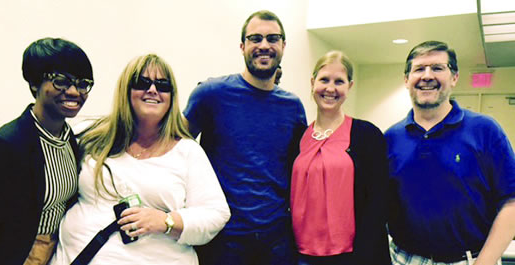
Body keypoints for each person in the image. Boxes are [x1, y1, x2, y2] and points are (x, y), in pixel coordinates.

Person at [49, 54, 230, 265]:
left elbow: (216, 214)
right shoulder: (91, 136)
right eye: (142, 83)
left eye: (162, 85)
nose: (152, 90)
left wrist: (166, 221)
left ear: (172, 97)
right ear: (126, 90)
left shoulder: (187, 152)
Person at [184, 9, 307, 265]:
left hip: (277, 241)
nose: (264, 45)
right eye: (256, 38)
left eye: (272, 39)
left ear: (283, 45)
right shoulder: (211, 94)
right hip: (224, 240)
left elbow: (297, 171)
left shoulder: (293, 107)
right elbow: (174, 148)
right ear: (242, 46)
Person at [0, 37, 94, 265]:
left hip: (57, 253)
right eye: (61, 81)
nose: (74, 91)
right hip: (16, 256)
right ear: (35, 84)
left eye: (83, 83)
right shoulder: (5, 145)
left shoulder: (69, 140)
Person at [385, 40, 515, 265]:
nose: (427, 76)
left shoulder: (485, 130)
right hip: (403, 259)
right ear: (406, 80)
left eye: (437, 68)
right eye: (419, 69)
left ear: (454, 77)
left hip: (471, 260)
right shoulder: (390, 138)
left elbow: (511, 202)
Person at [290, 51, 391, 265]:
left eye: (339, 82)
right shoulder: (297, 136)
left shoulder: (367, 135)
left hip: (352, 256)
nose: (330, 88)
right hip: (300, 255)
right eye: (324, 79)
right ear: (312, 82)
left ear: (350, 86)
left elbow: (378, 202)